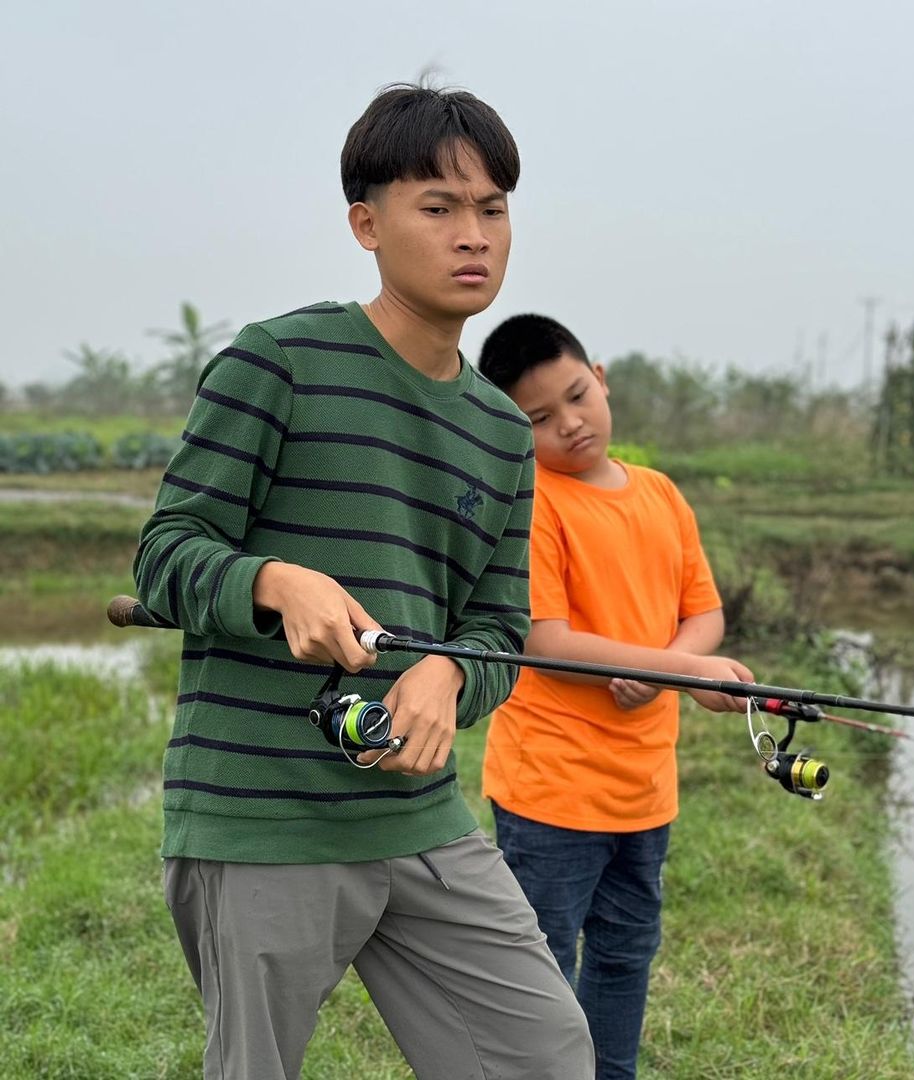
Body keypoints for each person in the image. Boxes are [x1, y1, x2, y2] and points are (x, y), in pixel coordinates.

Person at [133, 85, 593, 1080]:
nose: (473, 235)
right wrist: (275, 581)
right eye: (439, 207)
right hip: (264, 813)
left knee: (546, 1053)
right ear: (367, 224)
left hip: (422, 816)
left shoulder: (501, 432)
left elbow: (497, 628)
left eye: (493, 208)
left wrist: (444, 678)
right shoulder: (279, 362)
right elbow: (166, 554)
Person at [477, 314, 754, 1080]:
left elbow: (705, 614)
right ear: (509, 426)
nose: (569, 425)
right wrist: (676, 671)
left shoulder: (660, 494)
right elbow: (544, 641)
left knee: (627, 953)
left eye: (576, 396)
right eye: (539, 418)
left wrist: (672, 668)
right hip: (552, 792)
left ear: (600, 376)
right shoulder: (533, 504)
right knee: (540, 965)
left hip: (645, 789)